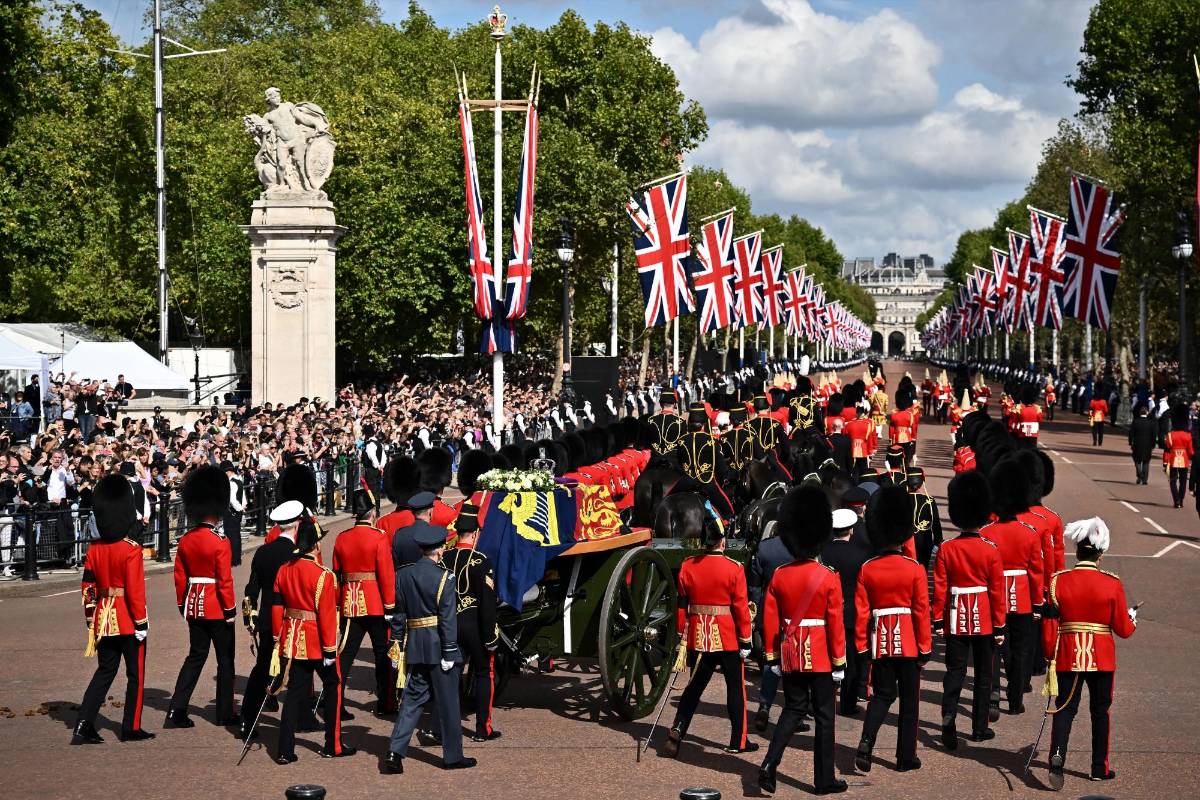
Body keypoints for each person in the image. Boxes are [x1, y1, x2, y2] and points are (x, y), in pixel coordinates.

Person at [757, 486, 847, 796]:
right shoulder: (827, 576)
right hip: (821, 655)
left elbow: (769, 619)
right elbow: (835, 623)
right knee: (824, 717)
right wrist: (839, 663)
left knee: (793, 710)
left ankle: (769, 763)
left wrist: (771, 657)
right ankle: (824, 779)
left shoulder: (780, 574)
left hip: (791, 652)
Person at [1043, 517, 1137, 790]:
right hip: (1101, 656)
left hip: (1068, 654)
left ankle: (1057, 754)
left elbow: (1050, 624)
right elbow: (1123, 629)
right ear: (1100, 552)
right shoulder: (1111, 583)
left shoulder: (1058, 581)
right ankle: (1099, 767)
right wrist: (1133, 619)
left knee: (1064, 709)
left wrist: (1050, 654)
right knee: (1100, 711)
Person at [664, 506, 756, 757]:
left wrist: (683, 635)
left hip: (698, 637)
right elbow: (740, 608)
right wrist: (746, 639)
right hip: (727, 638)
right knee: (735, 689)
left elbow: (682, 606)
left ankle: (678, 728)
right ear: (721, 540)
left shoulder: (688, 566)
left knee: (693, 689)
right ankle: (739, 740)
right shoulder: (733, 568)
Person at [384, 521, 476, 773]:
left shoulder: (403, 575)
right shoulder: (445, 578)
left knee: (411, 702)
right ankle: (452, 756)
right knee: (448, 703)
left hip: (415, 645)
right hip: (439, 648)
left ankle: (394, 752)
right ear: (440, 550)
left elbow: (399, 616)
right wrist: (449, 651)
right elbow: (447, 619)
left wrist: (397, 643)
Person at [270, 497, 356, 764]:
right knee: (333, 686)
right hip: (318, 640)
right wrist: (331, 649)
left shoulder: (284, 570)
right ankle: (334, 744)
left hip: (293, 637)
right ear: (315, 544)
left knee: (294, 693)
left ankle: (285, 750)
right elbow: (327, 616)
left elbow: (277, 607)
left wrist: (278, 639)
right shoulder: (323, 575)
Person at [854, 485, 930, 774]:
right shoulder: (914, 569)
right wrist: (925, 647)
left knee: (882, 696)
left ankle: (866, 741)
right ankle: (904, 758)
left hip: (880, 642)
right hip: (909, 641)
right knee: (909, 703)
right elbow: (921, 612)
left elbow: (862, 612)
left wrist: (863, 646)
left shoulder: (868, 568)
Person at [72, 474, 154, 744]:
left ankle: (83, 724)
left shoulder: (94, 549)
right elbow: (134, 591)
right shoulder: (130, 549)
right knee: (135, 674)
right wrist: (141, 623)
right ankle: (131, 727)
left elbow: (88, 586)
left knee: (105, 672)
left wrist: (90, 617)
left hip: (104, 618)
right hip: (128, 620)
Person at [933, 472, 1006, 749]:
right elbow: (997, 592)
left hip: (954, 617)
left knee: (954, 673)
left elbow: (940, 588)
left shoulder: (947, 549)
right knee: (984, 676)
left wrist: (938, 620)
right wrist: (999, 626)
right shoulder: (990, 550)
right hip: (984, 618)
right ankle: (979, 727)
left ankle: (948, 723)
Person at [166, 464, 237, 728]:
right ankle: (224, 713)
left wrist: (182, 604)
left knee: (195, 657)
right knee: (225, 661)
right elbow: (224, 580)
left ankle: (176, 709)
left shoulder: (186, 540)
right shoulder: (220, 542)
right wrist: (230, 611)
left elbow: (179, 577)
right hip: (217, 608)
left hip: (194, 604)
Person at [239, 499, 307, 741]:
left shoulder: (263, 551)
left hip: (267, 618)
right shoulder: (296, 554)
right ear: (297, 525)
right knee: (299, 671)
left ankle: (246, 719)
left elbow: (251, 589)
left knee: (261, 670)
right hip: (292, 618)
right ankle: (302, 719)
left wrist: (251, 617)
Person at [980, 458, 1044, 716]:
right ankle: (1015, 698)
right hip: (1022, 597)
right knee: (1020, 649)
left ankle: (993, 693)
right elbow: (1036, 571)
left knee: (994, 646)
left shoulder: (987, 532)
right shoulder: (1029, 532)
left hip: (993, 596)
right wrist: (1038, 602)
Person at [333, 487, 396, 720]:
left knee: (345, 655)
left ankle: (336, 702)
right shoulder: (379, 537)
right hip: (377, 604)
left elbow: (337, 576)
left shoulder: (342, 538)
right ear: (372, 513)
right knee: (382, 654)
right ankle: (385, 702)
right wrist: (390, 606)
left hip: (350, 603)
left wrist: (339, 605)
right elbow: (386, 575)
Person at [441, 502, 502, 741]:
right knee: (483, 673)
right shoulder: (481, 561)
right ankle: (481, 728)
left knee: (453, 675)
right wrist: (491, 636)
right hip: (475, 626)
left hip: (450, 625)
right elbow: (487, 605)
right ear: (475, 533)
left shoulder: (444, 558)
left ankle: (447, 725)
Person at [820, 507, 872, 717]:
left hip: (825, 611)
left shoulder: (822, 552)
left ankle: (824, 700)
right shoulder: (861, 554)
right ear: (851, 530)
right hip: (851, 612)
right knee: (851, 663)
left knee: (825, 658)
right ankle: (848, 704)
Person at [675, 404, 735, 519]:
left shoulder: (681, 441)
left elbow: (679, 464)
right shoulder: (713, 441)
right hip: (707, 484)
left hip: (686, 483)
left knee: (665, 500)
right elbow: (721, 469)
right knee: (729, 511)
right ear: (704, 424)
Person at [1163, 405, 1193, 508]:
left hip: (1173, 459)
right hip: (1184, 460)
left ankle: (1176, 500)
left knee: (1173, 481)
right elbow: (1190, 451)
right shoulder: (1188, 435)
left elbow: (1167, 450)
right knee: (1183, 481)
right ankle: (1181, 500)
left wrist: (1165, 462)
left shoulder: (1170, 435)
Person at [1128, 403, 1157, 485]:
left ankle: (1139, 475)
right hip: (1148, 444)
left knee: (1137, 460)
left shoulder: (1135, 421)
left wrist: (1130, 442)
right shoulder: (1151, 423)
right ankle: (1144, 479)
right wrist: (1153, 444)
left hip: (1137, 443)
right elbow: (1154, 435)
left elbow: (1131, 433)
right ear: (1147, 413)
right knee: (1146, 461)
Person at [222, 460, 244, 567]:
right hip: (237, 513)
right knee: (236, 536)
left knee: (232, 537)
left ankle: (234, 560)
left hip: (231, 513)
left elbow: (232, 499)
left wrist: (239, 508)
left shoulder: (231, 483)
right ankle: (237, 559)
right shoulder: (239, 480)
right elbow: (243, 497)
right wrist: (242, 506)